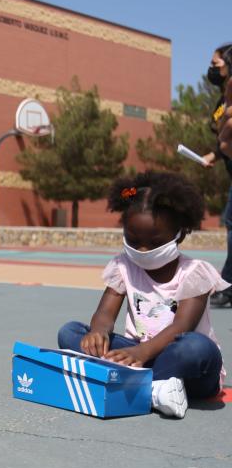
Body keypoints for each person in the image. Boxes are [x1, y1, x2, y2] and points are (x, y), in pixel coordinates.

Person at [57, 171, 227, 419]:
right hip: (138, 358)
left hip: (185, 368)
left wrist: (142, 353)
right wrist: (98, 333)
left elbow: (181, 327)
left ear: (181, 232)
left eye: (154, 242)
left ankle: (128, 384)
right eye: (134, 241)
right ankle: (155, 389)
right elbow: (105, 312)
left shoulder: (193, 272)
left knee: (198, 348)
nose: (143, 250)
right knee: (70, 332)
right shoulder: (123, 266)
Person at [203, 43, 232, 307]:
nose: (212, 68)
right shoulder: (222, 98)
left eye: (216, 63)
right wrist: (214, 154)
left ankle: (229, 285)